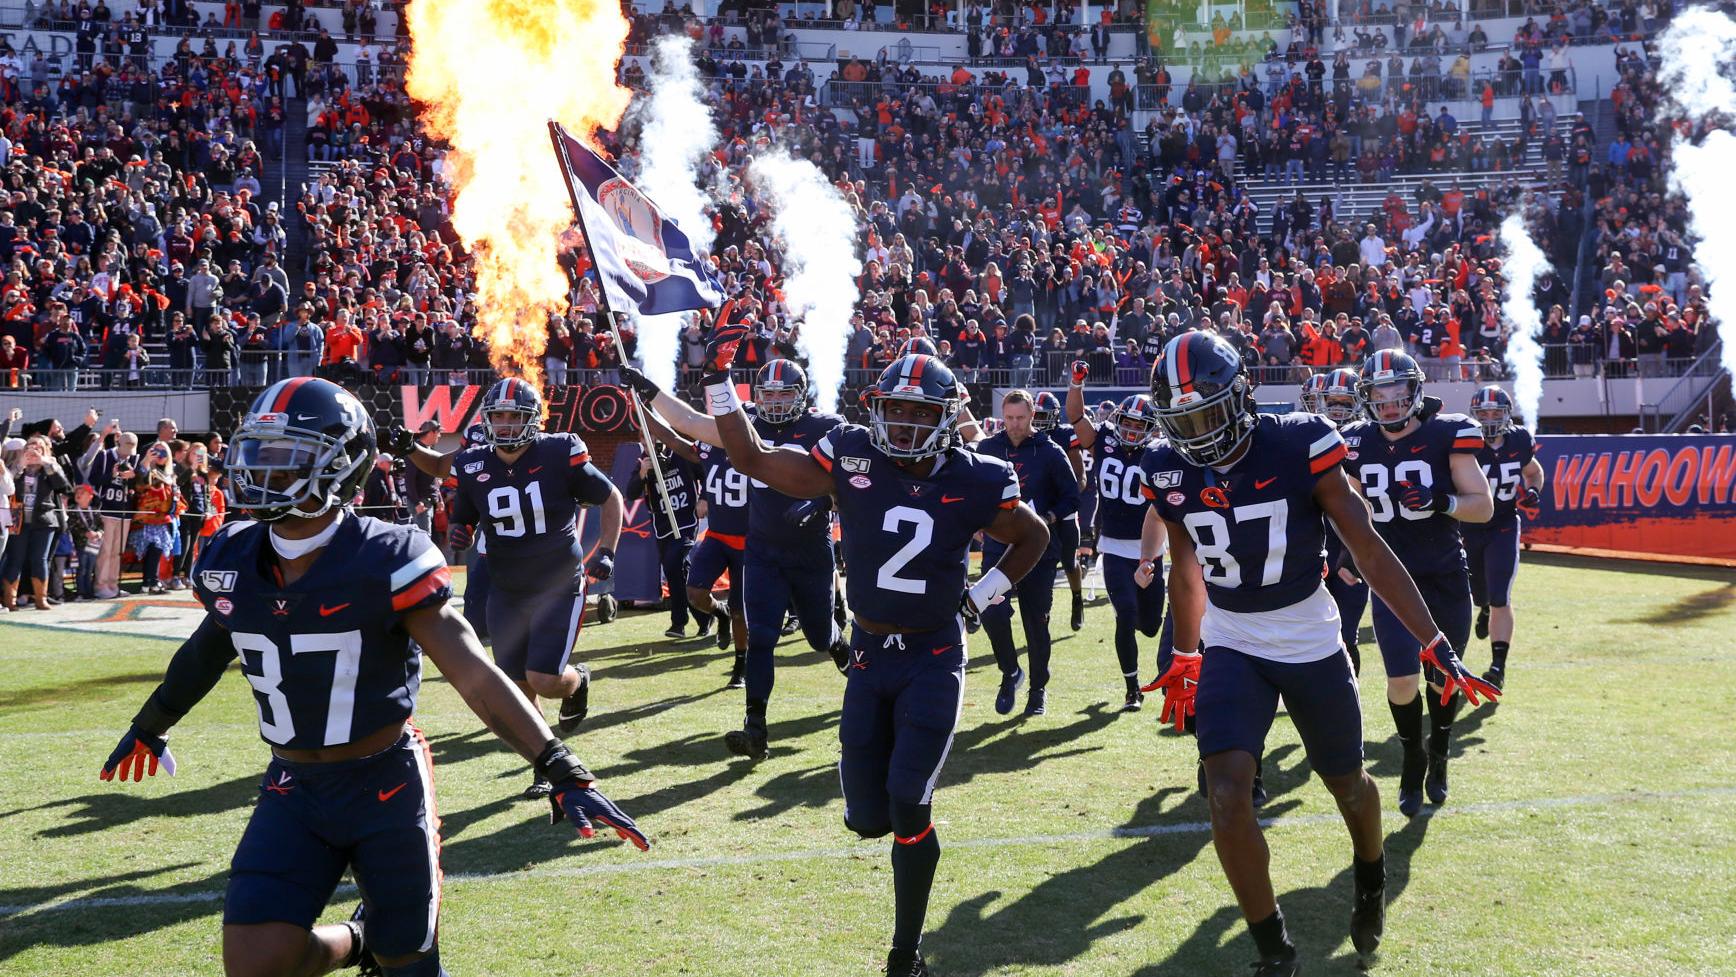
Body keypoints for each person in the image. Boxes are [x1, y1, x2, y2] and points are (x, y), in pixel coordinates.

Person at [100, 377, 646, 977]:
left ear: (341, 467)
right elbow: (210, 647)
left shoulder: (386, 555)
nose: (259, 469)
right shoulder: (231, 555)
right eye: (256, 451)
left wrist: (560, 766)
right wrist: (151, 724)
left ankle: (377, 943)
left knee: (409, 961)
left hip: (386, 786)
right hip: (292, 789)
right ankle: (356, 941)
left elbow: (474, 674)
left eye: (284, 456)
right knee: (257, 963)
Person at [684, 332, 1048, 977]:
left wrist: (983, 593)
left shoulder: (979, 474)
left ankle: (905, 955)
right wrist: (719, 378)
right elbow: (750, 454)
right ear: (877, 409)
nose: (905, 423)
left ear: (947, 416)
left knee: (910, 803)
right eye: (896, 409)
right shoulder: (850, 453)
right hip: (871, 655)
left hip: (934, 656)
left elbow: (1033, 536)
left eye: (921, 411)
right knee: (867, 819)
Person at [1138, 332, 1497, 976]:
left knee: (1347, 785)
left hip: (1307, 634)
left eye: (1208, 412)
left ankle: (1370, 876)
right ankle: (1274, 951)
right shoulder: (1166, 467)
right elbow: (1185, 570)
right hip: (1232, 639)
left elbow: (1366, 546)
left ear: (1242, 394)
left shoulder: (1299, 441)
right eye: (1182, 420)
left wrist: (1433, 641)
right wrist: (1187, 653)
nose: (1197, 432)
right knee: (1225, 791)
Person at [623, 357, 849, 761]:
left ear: (802, 395)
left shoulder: (826, 427)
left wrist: (821, 503)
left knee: (817, 637)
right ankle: (755, 729)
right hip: (761, 550)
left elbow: (847, 483)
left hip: (810, 552)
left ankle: (838, 645)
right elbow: (691, 422)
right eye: (768, 393)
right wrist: (649, 389)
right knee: (761, 636)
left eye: (784, 393)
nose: (775, 402)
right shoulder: (746, 423)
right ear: (755, 396)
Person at [445, 377, 623, 798]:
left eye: (515, 416)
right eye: (499, 416)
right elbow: (465, 516)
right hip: (506, 588)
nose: (505, 425)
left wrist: (608, 551)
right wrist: (460, 532)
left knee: (543, 678)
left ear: (533, 419)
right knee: (517, 686)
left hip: (558, 583)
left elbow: (610, 497)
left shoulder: (560, 451)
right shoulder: (472, 463)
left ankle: (577, 680)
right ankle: (546, 763)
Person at [1341, 350, 1500, 817]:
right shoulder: (1354, 442)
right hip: (1390, 577)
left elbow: (1483, 506)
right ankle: (1413, 756)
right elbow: (1350, 510)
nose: (1388, 405)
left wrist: (1441, 501)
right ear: (1366, 398)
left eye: (1397, 395)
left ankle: (1440, 752)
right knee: (1402, 680)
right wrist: (1350, 551)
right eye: (1378, 396)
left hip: (1444, 575)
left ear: (1414, 392)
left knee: (1444, 678)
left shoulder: (1447, 433)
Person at [973, 389, 1080, 716]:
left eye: (1020, 418)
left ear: (1032, 416)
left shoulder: (1050, 451)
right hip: (996, 549)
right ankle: (1010, 672)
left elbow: (1072, 497)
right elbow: (971, 490)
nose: (1015, 425)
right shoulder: (988, 448)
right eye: (1009, 418)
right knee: (990, 613)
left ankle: (1038, 690)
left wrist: (1047, 518)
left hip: (1038, 552)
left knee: (1036, 623)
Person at [1066, 368, 1165, 710]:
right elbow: (1076, 416)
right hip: (1114, 547)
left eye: (1141, 426)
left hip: (1149, 549)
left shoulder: (1158, 453)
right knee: (1124, 613)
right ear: (1118, 420)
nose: (1133, 430)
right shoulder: (1105, 438)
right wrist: (1077, 383)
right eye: (1129, 423)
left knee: (1150, 626)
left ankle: (1141, 636)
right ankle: (1132, 688)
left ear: (1151, 429)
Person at [641, 407, 745, 682]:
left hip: (748, 538)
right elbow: (674, 439)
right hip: (717, 535)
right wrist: (640, 406)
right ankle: (716, 613)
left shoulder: (754, 450)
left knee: (740, 608)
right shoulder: (708, 450)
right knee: (695, 592)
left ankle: (741, 664)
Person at [1463, 386, 1544, 691]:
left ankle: (1498, 666)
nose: (1490, 419)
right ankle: (1482, 607)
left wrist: (1534, 491)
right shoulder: (1465, 443)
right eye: (1483, 413)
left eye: (1496, 413)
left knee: (1501, 595)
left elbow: (1534, 472)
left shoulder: (1519, 439)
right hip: (1467, 527)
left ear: (1508, 414)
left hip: (1503, 525)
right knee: (1478, 595)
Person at [1313, 369, 1370, 673]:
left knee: (1346, 635)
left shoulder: (1369, 437)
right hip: (1313, 550)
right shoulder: (1309, 436)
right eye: (1331, 401)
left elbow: (1368, 507)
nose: (1336, 408)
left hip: (1351, 549)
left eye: (1344, 402)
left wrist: (1351, 556)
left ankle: (1351, 701)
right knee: (1314, 637)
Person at [623, 443, 700, 639]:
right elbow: (631, 493)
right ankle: (707, 614)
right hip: (663, 527)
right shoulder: (644, 460)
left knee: (674, 564)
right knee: (680, 572)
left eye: (656, 435)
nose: (652, 442)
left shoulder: (681, 451)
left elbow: (706, 473)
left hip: (685, 522)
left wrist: (705, 499)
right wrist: (642, 473)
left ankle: (678, 622)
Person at [1, 435, 73, 610]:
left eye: (39, 447)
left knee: (39, 559)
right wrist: (20, 465)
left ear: (45, 450)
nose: (34, 450)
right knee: (15, 559)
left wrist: (45, 463)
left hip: (44, 520)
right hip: (18, 518)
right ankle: (10, 600)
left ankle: (41, 599)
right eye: (30, 446)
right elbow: (7, 486)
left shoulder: (50, 467)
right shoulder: (17, 466)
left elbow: (63, 487)